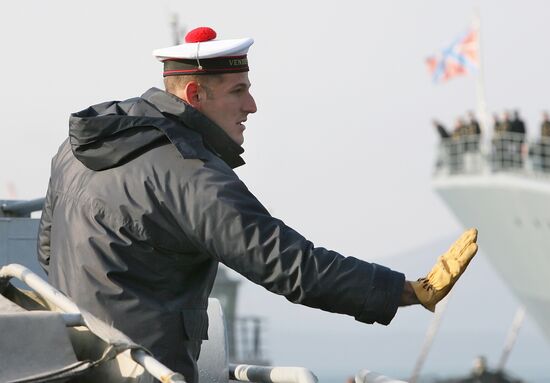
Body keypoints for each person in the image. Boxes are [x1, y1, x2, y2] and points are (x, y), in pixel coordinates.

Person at [37, 27, 478, 383]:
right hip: (149, 371)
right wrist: (408, 291)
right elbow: (289, 264)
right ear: (195, 95)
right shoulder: (192, 175)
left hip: (69, 366)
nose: (252, 106)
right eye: (238, 91)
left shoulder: (79, 146)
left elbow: (46, 249)